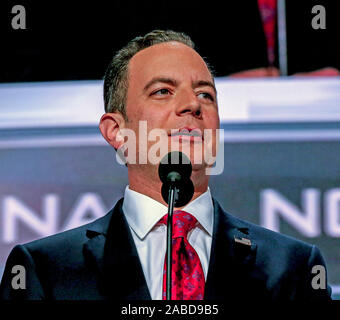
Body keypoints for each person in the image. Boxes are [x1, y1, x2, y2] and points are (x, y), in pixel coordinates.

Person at [0, 30, 332, 301]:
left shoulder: (294, 268)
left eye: (206, 95)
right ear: (116, 131)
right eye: (163, 91)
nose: (192, 105)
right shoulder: (45, 271)